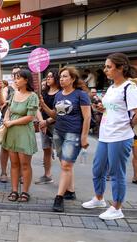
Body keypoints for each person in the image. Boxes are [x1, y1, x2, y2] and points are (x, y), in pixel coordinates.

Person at [82, 53, 137, 220]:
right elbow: (111, 108)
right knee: (98, 169)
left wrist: (128, 124)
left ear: (121, 68)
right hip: (105, 135)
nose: (105, 70)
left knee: (117, 173)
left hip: (120, 136)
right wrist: (102, 109)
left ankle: (117, 208)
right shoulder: (112, 88)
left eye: (109, 67)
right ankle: (99, 198)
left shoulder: (129, 88)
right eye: (105, 66)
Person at [40, 67, 91, 212]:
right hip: (58, 132)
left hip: (73, 134)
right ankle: (71, 191)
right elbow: (55, 115)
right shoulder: (58, 95)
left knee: (66, 165)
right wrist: (43, 105)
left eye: (65, 76)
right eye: (60, 77)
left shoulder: (80, 95)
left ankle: (59, 198)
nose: (61, 79)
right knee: (66, 164)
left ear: (73, 79)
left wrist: (84, 136)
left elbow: (87, 117)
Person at [3, 69, 39, 203]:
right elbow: (9, 109)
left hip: (24, 132)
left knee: (25, 163)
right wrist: (6, 119)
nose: (15, 80)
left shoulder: (32, 96)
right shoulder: (13, 94)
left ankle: (25, 191)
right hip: (12, 132)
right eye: (14, 78)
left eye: (18, 78)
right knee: (13, 163)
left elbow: (30, 117)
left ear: (26, 80)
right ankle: (14, 190)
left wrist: (11, 122)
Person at [35, 69, 60, 185]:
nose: (48, 78)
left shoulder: (60, 93)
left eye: (51, 76)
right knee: (46, 149)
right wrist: (41, 121)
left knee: (61, 152)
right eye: (47, 76)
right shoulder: (44, 92)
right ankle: (47, 175)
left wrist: (47, 122)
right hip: (44, 124)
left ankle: (66, 177)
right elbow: (39, 108)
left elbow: (59, 113)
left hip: (56, 125)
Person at [0, 66, 21, 183]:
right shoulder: (8, 88)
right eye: (13, 74)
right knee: (5, 148)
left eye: (17, 73)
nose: (15, 76)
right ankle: (3, 172)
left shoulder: (25, 89)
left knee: (21, 149)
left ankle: (20, 173)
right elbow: (2, 102)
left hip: (21, 122)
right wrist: (1, 90)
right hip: (7, 121)